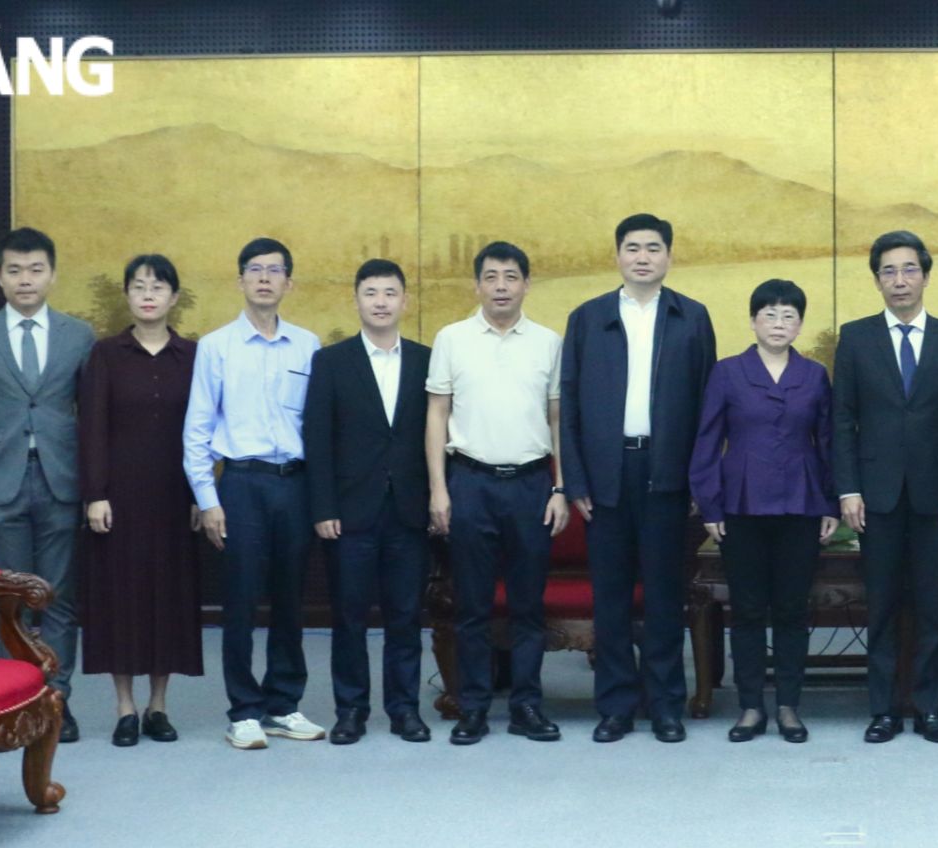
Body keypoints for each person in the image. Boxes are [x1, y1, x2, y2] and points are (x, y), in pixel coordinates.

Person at [559, 214, 716, 744]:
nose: (643, 257)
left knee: (667, 596)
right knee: (611, 597)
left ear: (669, 257)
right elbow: (570, 407)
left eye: (653, 248)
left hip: (667, 472)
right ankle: (617, 706)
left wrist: (699, 481)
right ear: (618, 256)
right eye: (633, 248)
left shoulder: (691, 317)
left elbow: (706, 410)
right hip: (606, 474)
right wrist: (574, 480)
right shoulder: (588, 318)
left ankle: (667, 704)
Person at [832, 230, 938, 745]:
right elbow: (842, 420)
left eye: (909, 269)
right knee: (883, 606)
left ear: (926, 274)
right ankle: (884, 709)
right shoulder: (855, 338)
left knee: (933, 606)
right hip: (875, 497)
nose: (900, 280)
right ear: (877, 281)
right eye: (889, 271)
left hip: (937, 498)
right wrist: (847, 489)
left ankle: (931, 708)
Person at [183, 237, 327, 750]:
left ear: (289, 282)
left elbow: (320, 425)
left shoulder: (309, 346)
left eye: (275, 271)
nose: (264, 278)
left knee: (291, 598)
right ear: (241, 280)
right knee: (240, 601)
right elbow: (197, 430)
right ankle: (243, 710)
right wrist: (208, 499)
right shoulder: (216, 347)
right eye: (254, 270)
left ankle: (283, 704)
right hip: (240, 484)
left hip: (295, 484)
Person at [0, 227, 91, 743]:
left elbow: (92, 419)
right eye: (14, 270)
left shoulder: (79, 335)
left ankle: (56, 700)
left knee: (57, 597)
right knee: (11, 598)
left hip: (61, 479)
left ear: (52, 274)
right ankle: (17, 701)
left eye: (35, 270)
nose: (25, 280)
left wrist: (94, 486)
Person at [426, 241, 569, 745]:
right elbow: (437, 414)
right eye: (491, 277)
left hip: (532, 485)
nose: (501, 286)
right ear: (477, 284)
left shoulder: (548, 342)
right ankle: (473, 707)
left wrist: (560, 487)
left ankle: (528, 705)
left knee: (529, 605)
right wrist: (439, 490)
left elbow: (557, 420)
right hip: (470, 483)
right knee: (472, 606)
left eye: (511, 277)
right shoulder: (452, 338)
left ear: (527, 284)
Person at [689, 279, 837, 744]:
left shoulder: (814, 375)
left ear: (800, 324)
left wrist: (832, 500)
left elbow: (829, 442)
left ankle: (789, 705)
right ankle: (751, 706)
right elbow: (708, 440)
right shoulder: (727, 373)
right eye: (769, 314)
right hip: (741, 504)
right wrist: (709, 503)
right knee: (748, 610)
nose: (779, 323)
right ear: (753, 320)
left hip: (802, 501)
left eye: (789, 315)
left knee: (793, 609)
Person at [304, 259, 433, 745]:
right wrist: (322, 508)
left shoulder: (426, 360)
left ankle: (404, 710)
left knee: (405, 616)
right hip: (349, 513)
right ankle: (351, 711)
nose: (381, 302)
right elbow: (316, 440)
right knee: (350, 618)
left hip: (409, 512)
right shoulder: (331, 362)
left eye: (390, 293)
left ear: (404, 300)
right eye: (371, 293)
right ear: (356, 300)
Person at [78, 254, 203, 747]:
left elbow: (204, 430)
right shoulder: (106, 355)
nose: (148, 294)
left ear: (174, 297)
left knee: (168, 596)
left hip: (175, 494)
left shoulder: (192, 356)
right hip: (120, 498)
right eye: (138, 286)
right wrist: (95, 495)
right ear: (127, 296)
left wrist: (201, 493)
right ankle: (125, 708)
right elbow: (92, 429)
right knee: (122, 598)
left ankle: (158, 706)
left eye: (158, 286)